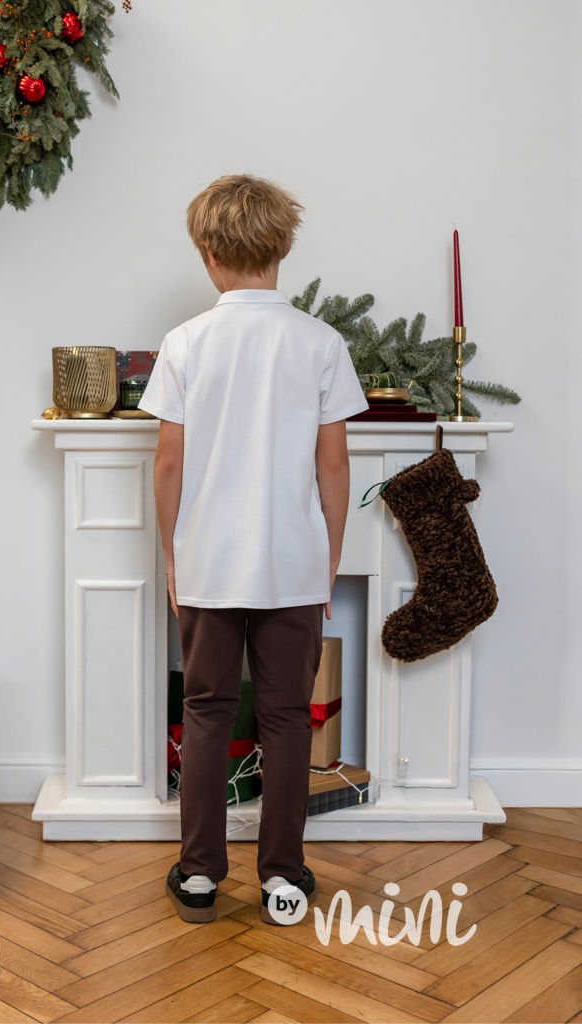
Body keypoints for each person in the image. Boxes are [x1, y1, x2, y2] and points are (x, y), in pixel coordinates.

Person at [137, 173, 369, 925]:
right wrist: (328, 556)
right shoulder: (320, 342)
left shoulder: (184, 343)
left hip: (207, 563)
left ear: (208, 253)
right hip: (292, 564)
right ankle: (283, 878)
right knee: (287, 717)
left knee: (206, 711)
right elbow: (333, 466)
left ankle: (200, 874)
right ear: (283, 249)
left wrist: (172, 558)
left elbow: (167, 463)